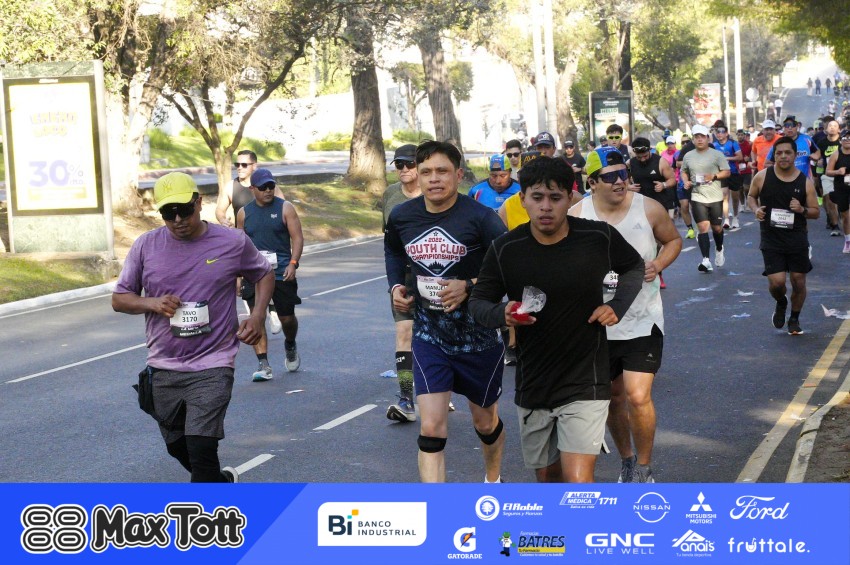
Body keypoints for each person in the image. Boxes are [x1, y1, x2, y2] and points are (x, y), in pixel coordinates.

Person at [469, 154, 645, 483]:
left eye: (555, 197)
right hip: (534, 384)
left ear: (571, 197)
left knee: (577, 481)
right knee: (549, 480)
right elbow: (478, 303)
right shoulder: (506, 249)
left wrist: (617, 306)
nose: (546, 207)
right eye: (537, 197)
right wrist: (502, 313)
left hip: (586, 379)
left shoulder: (597, 237)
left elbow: (633, 267)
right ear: (522, 199)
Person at [112, 172, 275, 482]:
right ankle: (220, 484)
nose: (178, 220)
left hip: (214, 363)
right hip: (164, 365)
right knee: (178, 447)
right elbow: (119, 299)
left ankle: (206, 510)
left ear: (199, 203)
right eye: (168, 213)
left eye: (184, 210)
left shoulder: (232, 242)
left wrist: (257, 316)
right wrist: (153, 303)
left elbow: (264, 273)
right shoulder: (146, 246)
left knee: (201, 448)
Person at [384, 140, 508, 483]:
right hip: (429, 336)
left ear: (459, 175)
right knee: (431, 429)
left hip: (478, 338)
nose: (434, 178)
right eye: (426, 172)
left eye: (442, 171)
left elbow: (510, 266)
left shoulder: (481, 218)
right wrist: (396, 287)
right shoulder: (402, 216)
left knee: (485, 423)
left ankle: (493, 480)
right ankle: (436, 507)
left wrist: (469, 285)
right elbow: (393, 252)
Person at [572, 147, 683, 483]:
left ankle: (644, 469)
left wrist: (658, 264)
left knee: (637, 396)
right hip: (598, 324)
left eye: (623, 174)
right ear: (592, 182)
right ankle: (627, 460)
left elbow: (673, 240)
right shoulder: (577, 216)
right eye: (610, 177)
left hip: (642, 319)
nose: (620, 181)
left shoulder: (648, 208)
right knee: (613, 398)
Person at [236, 168, 303, 380]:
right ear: (252, 189)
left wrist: (293, 263)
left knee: (287, 318)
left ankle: (290, 343)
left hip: (281, 272)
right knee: (256, 317)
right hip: (254, 275)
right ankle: (263, 364)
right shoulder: (243, 213)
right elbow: (239, 247)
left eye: (271, 186)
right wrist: (238, 277)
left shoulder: (286, 208)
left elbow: (297, 238)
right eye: (263, 187)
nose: (268, 190)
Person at [748, 136, 820, 335]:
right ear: (774, 156)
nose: (783, 156)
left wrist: (802, 210)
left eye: (788, 152)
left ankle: (794, 318)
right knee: (777, 283)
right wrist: (755, 209)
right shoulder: (762, 176)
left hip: (796, 237)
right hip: (771, 238)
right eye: (779, 153)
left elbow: (815, 212)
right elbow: (751, 196)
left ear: (795, 155)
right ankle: (781, 301)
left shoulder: (804, 182)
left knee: (798, 281)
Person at [216, 150, 285, 334]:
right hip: (245, 241)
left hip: (268, 242)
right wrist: (223, 220)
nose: (239, 168)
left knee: (269, 276)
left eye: (244, 165)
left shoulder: (268, 186)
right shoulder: (231, 186)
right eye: (237, 164)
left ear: (254, 166)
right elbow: (220, 210)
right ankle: (258, 317)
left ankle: (273, 309)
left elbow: (284, 209)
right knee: (248, 282)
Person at [381, 144, 422, 422]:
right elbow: (389, 243)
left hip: (434, 275)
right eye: (399, 165)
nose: (404, 169)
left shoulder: (433, 194)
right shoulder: (390, 195)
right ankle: (406, 398)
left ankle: (438, 387)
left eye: (410, 164)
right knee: (404, 332)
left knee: (436, 335)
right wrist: (395, 283)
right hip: (404, 277)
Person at [680, 124, 731, 272]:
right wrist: (686, 181)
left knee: (716, 228)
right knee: (702, 227)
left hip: (715, 196)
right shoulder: (688, 156)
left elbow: (727, 172)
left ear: (708, 138)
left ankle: (719, 248)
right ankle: (706, 260)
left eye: (702, 136)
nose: (700, 139)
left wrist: (714, 176)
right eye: (697, 137)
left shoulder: (717, 154)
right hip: (697, 196)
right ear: (693, 139)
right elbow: (683, 171)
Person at [628, 137, 677, 217]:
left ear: (649, 150)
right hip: (640, 204)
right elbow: (623, 180)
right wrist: (628, 186)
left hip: (659, 203)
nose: (642, 159)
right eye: (639, 157)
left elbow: (672, 179)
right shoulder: (630, 163)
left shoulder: (661, 162)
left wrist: (664, 185)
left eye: (645, 156)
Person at [712, 125, 743, 229]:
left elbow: (740, 157)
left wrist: (727, 158)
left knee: (735, 197)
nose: (719, 134)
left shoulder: (733, 143)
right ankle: (726, 219)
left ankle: (735, 217)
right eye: (718, 132)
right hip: (722, 173)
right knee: (724, 196)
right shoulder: (714, 145)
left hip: (733, 172)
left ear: (726, 133)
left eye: (722, 132)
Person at [824, 129, 850, 253]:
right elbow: (827, 171)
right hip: (841, 188)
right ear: (840, 140)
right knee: (845, 216)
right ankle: (848, 241)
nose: (847, 140)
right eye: (845, 138)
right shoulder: (836, 154)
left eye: (849, 138)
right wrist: (838, 172)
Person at [817, 121, 842, 236]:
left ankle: (838, 217)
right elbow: (817, 157)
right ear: (826, 129)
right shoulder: (821, 143)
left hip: (843, 175)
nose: (832, 128)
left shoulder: (843, 141)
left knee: (842, 200)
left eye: (835, 126)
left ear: (839, 129)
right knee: (829, 199)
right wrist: (818, 161)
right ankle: (835, 225)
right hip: (827, 174)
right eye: (830, 126)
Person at [675, 134, 696, 238]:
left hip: (696, 183)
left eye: (687, 141)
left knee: (695, 207)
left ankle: (699, 226)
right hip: (682, 182)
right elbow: (676, 164)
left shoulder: (698, 149)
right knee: (684, 206)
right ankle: (690, 229)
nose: (685, 144)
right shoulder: (679, 152)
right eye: (683, 142)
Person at [737, 130, 753, 216]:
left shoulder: (749, 144)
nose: (740, 136)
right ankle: (742, 205)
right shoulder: (735, 145)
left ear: (744, 136)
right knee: (740, 188)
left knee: (746, 187)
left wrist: (749, 158)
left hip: (747, 169)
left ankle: (748, 202)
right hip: (738, 169)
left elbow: (753, 154)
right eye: (739, 135)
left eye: (742, 135)